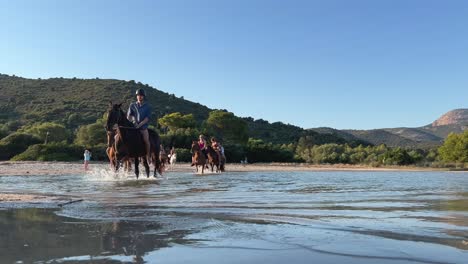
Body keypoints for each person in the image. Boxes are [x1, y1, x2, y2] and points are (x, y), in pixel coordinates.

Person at [127, 88, 152, 164]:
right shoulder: (132, 105)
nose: (140, 96)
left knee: (146, 140)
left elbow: (147, 118)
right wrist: (133, 122)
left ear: (143, 96)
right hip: (134, 127)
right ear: (136, 96)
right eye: (138, 95)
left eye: (141, 95)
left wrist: (140, 124)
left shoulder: (147, 106)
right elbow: (129, 116)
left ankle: (148, 155)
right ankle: (129, 156)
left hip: (143, 127)